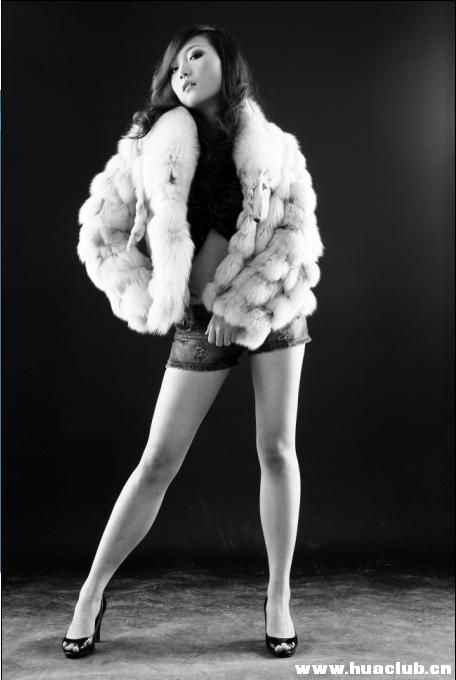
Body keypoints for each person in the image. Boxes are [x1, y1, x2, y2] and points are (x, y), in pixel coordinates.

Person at [62, 23, 324, 660]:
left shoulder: (273, 146)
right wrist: (154, 295)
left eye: (196, 56)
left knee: (276, 449)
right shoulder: (148, 145)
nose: (182, 69)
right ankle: (90, 596)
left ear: (225, 65)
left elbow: (298, 236)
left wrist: (243, 305)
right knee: (157, 461)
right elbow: (100, 234)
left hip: (270, 311)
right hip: (199, 323)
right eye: (175, 62)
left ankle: (279, 598)